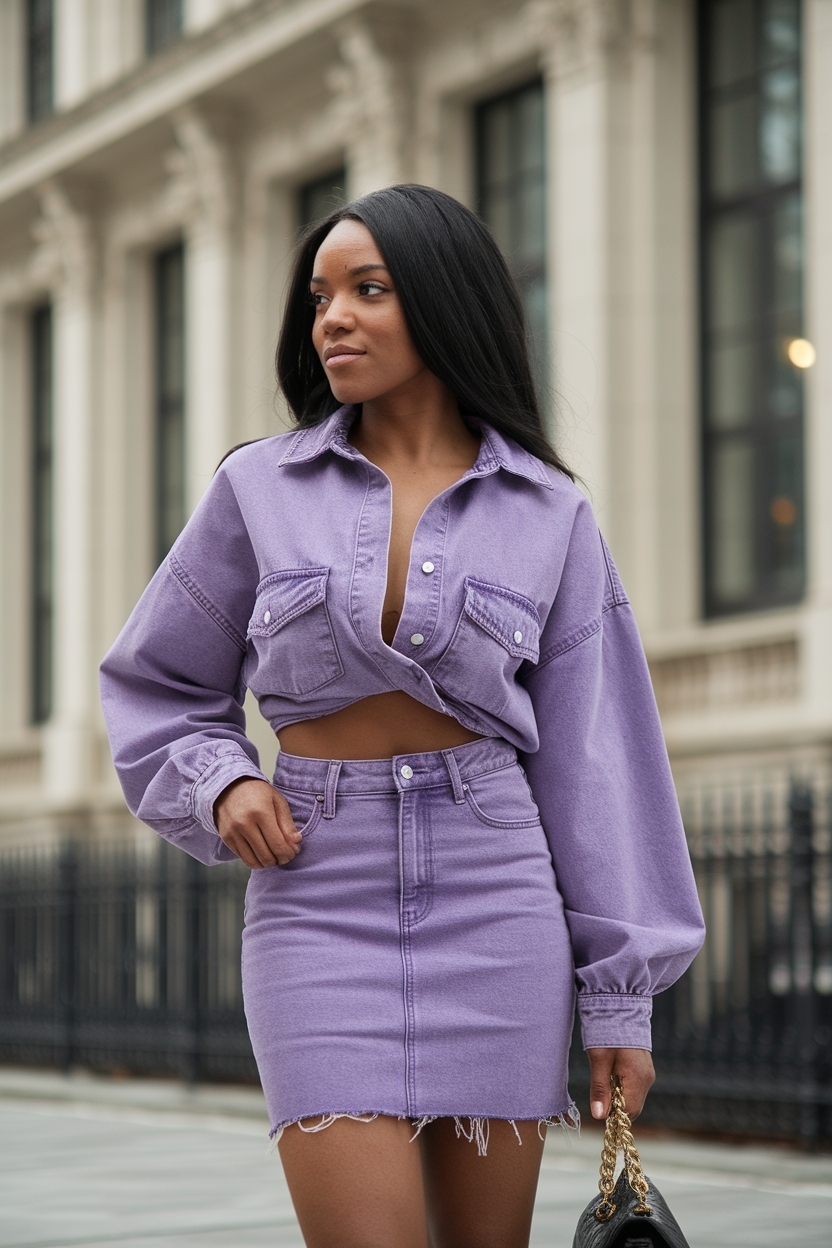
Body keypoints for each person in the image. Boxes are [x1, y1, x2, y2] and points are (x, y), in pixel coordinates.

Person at [100, 184, 705, 1248]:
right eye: (321, 295)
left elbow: (599, 764)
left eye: (367, 290)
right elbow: (156, 684)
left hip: (498, 894)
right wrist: (222, 780)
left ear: (445, 302)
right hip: (315, 896)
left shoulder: (550, 514)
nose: (330, 316)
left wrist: (618, 1002)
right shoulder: (258, 489)